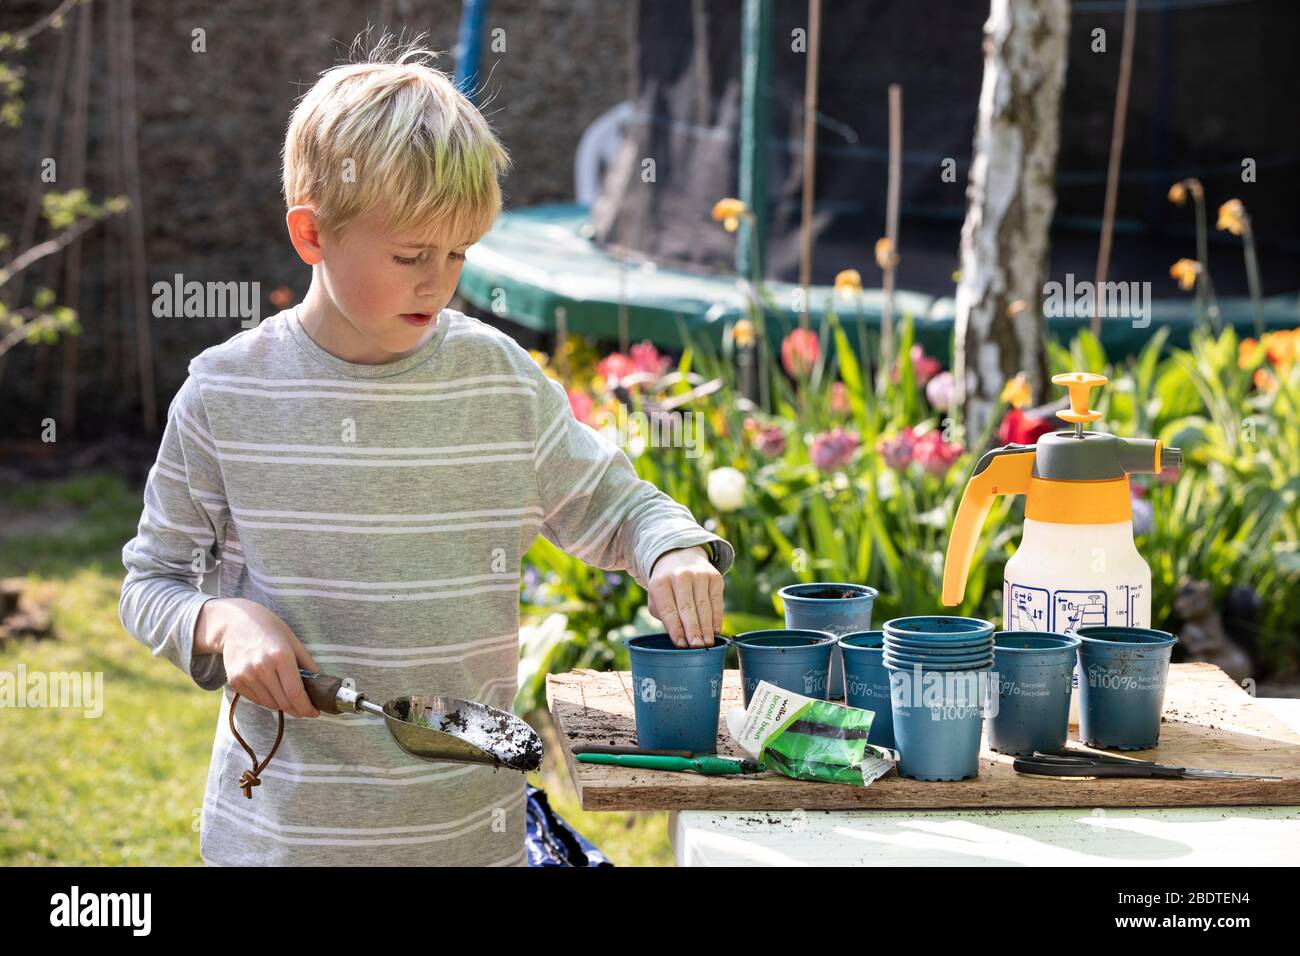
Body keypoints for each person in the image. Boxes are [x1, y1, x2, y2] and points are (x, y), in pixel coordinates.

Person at [119, 33, 733, 866]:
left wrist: (670, 550)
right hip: (284, 840)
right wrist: (221, 621)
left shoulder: (497, 381)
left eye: (458, 254)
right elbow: (151, 583)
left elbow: (618, 506)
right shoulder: (226, 395)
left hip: (467, 840)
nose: (439, 281)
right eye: (411, 256)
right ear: (312, 235)